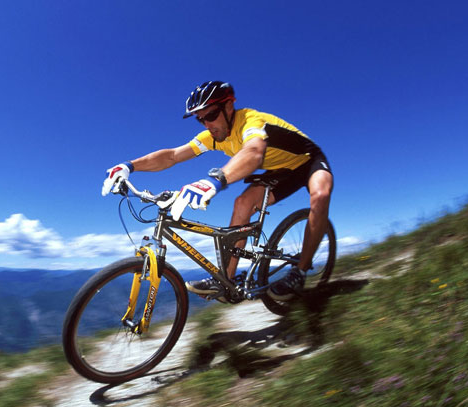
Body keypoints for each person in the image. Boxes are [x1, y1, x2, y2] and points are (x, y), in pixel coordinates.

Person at [101, 81, 333, 301]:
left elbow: (253, 151)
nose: (207, 124)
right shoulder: (213, 137)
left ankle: (300, 271)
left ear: (229, 106)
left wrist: (215, 181)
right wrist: (130, 166)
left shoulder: (251, 121)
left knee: (320, 196)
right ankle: (226, 281)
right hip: (280, 171)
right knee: (242, 204)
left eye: (211, 115)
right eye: (200, 120)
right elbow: (173, 156)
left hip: (308, 162)